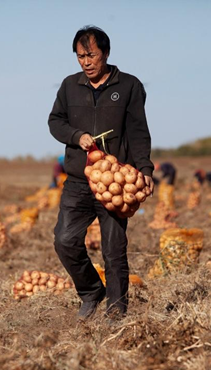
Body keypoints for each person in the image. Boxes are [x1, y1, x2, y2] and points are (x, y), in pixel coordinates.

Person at [48, 26, 154, 321]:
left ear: (105, 53)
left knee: (114, 249)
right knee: (64, 240)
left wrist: (144, 168)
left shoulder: (129, 86)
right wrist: (75, 135)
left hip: (116, 182)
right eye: (80, 56)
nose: (86, 62)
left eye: (91, 55)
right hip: (80, 181)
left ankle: (116, 310)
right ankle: (91, 290)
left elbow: (138, 132)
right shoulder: (70, 86)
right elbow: (55, 121)